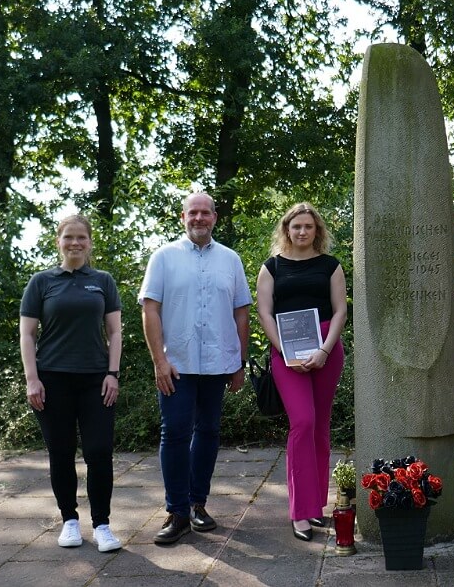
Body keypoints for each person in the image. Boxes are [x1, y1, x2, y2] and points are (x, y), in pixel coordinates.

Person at [140, 192, 252, 545]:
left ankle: (197, 504)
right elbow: (150, 310)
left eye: (206, 213)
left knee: (208, 433)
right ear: (182, 217)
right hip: (177, 365)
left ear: (215, 218)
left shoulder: (230, 260)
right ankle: (176, 511)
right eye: (193, 213)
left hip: (218, 365)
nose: (199, 218)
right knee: (173, 434)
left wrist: (239, 362)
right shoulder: (163, 258)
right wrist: (159, 360)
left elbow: (241, 313)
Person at [19, 214, 124, 552]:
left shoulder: (103, 281)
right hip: (52, 381)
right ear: (58, 241)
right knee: (61, 453)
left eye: (81, 237)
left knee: (98, 452)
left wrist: (113, 374)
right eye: (69, 237)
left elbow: (115, 331)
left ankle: (103, 525)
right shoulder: (41, 282)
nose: (75, 243)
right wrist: (32, 380)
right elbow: (27, 334)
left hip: (96, 380)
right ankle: (70, 521)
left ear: (90, 242)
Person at [255, 203, 347, 542]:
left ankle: (315, 506)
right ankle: (299, 511)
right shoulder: (272, 267)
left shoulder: (330, 266)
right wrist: (284, 350)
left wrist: (324, 350)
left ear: (317, 231)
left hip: (326, 351)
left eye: (309, 226)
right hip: (286, 352)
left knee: (320, 427)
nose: (303, 232)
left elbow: (340, 311)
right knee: (303, 423)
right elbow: (265, 313)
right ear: (287, 229)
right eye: (297, 227)